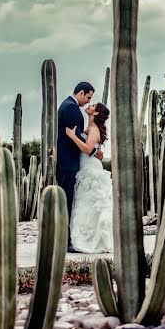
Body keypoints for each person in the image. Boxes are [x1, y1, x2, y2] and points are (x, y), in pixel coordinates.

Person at [56, 82, 103, 252]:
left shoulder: (68, 106)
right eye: (88, 97)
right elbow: (73, 137)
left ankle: (68, 238)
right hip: (68, 163)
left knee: (71, 201)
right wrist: (93, 151)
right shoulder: (70, 108)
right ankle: (66, 241)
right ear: (81, 92)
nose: (88, 102)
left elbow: (76, 136)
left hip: (69, 161)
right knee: (67, 201)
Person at [65, 102, 114, 253]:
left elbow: (87, 149)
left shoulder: (93, 129)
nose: (90, 105)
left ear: (97, 113)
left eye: (93, 105)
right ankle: (87, 238)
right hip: (87, 166)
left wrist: (73, 136)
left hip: (90, 169)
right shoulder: (90, 127)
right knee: (86, 205)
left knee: (88, 204)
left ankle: (88, 241)